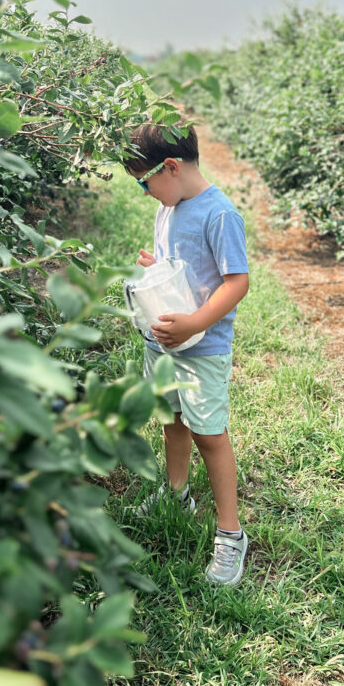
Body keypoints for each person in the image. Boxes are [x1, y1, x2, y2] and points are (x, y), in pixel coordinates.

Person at [124, 122, 250, 586]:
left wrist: (196, 322)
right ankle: (176, 493)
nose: (144, 192)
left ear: (171, 167)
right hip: (164, 341)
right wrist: (159, 270)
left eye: (144, 181)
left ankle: (230, 534)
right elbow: (183, 268)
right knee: (171, 418)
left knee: (209, 434)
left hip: (202, 346)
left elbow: (237, 281)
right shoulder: (168, 207)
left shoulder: (219, 215)